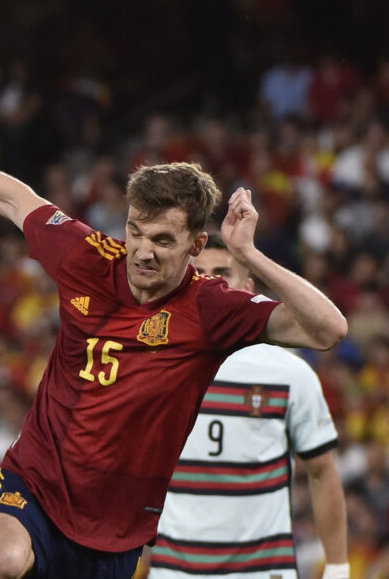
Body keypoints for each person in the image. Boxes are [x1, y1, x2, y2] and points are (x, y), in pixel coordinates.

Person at [0, 121, 347, 579]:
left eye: (162, 240)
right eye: (135, 231)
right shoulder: (87, 257)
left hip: (115, 528)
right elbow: (13, 198)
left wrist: (249, 256)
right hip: (35, 483)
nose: (142, 251)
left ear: (197, 245)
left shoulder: (211, 308)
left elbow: (328, 330)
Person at [145, 236, 349, 579]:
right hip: (173, 570)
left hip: (264, 571)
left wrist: (338, 567)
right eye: (199, 273)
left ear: (247, 286)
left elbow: (322, 471)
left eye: (222, 273)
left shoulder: (290, 373)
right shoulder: (153, 368)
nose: (209, 283)